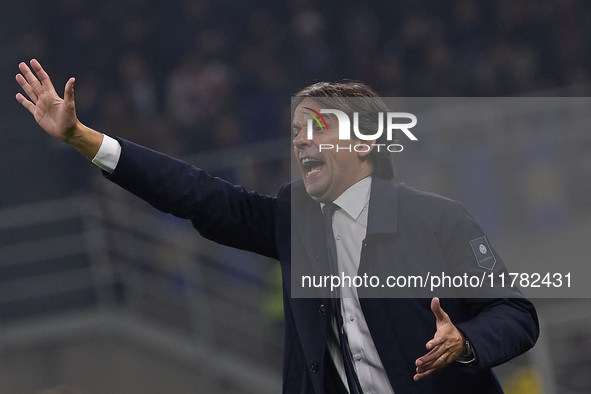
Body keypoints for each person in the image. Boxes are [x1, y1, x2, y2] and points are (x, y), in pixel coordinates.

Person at [15, 59, 538, 394]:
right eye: (296, 132)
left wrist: (464, 341)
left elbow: (515, 314)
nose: (302, 142)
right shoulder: (296, 220)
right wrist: (84, 138)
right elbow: (198, 194)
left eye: (317, 129)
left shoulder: (435, 219)